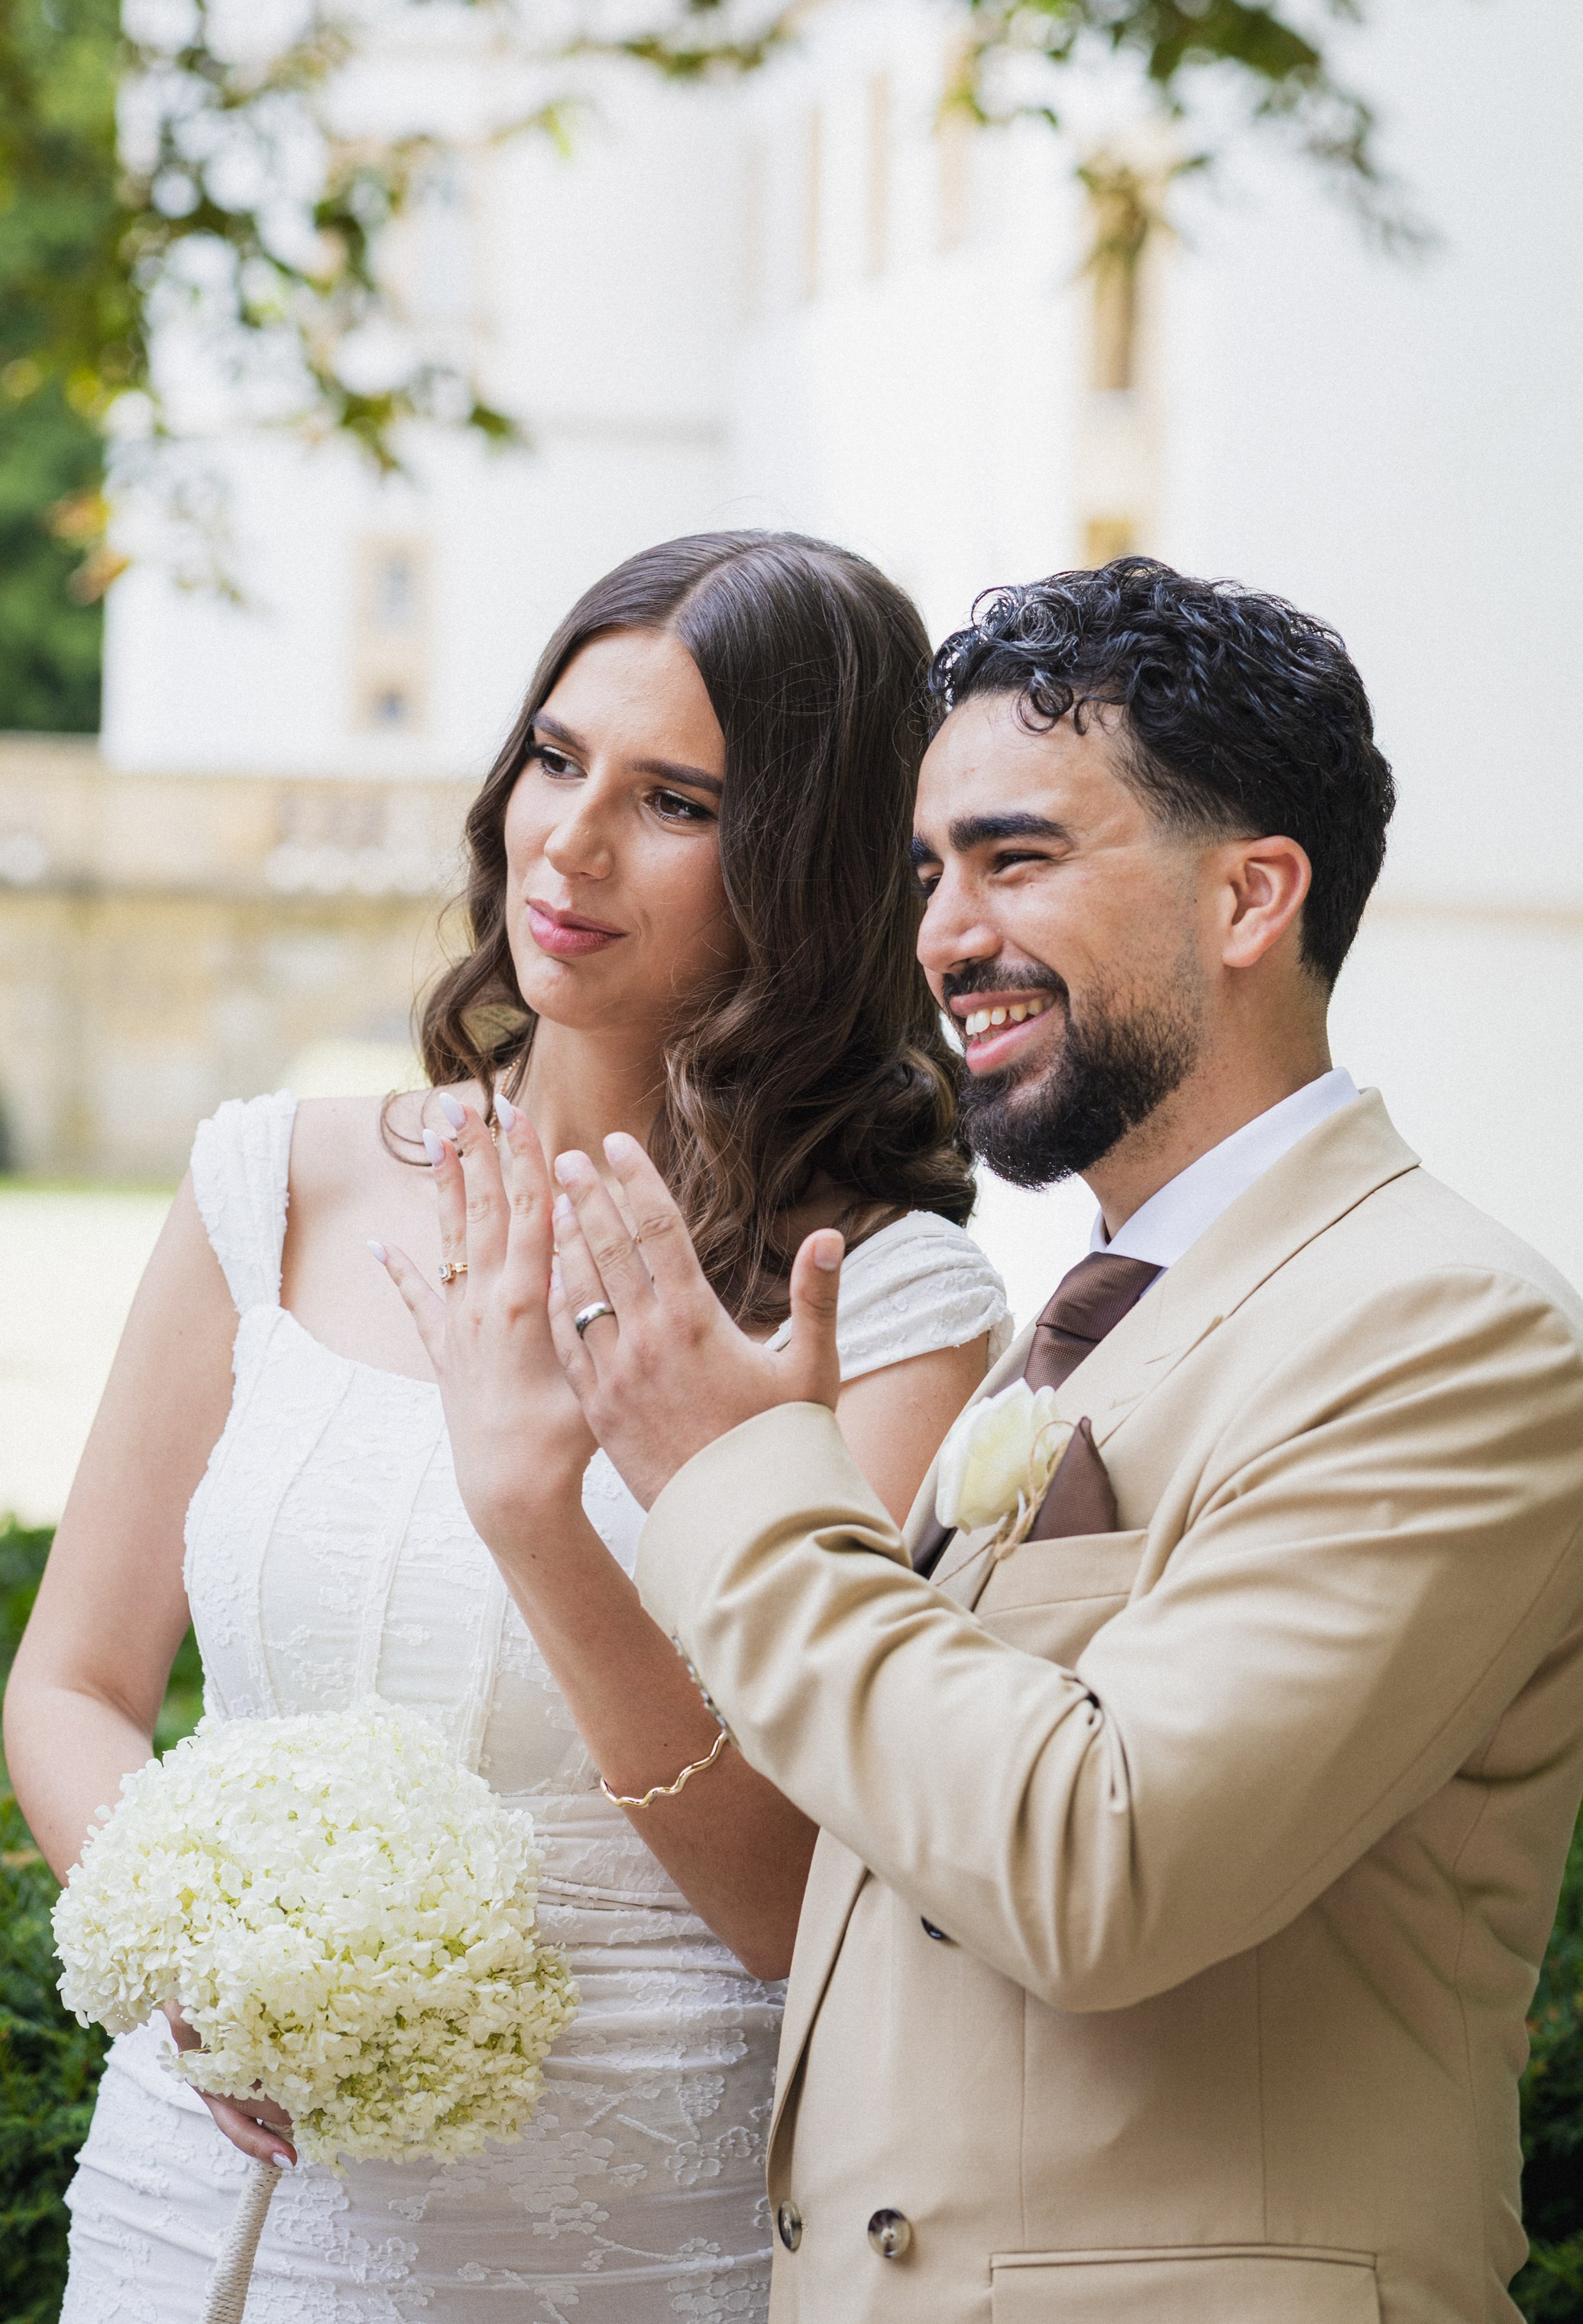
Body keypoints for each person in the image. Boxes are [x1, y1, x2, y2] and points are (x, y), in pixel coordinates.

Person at [505, 559, 1583, 2324]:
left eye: (1013, 859)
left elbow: (1102, 1871)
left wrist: (724, 1481)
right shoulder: (1086, 1319)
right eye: (927, 873)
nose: (942, 935)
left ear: (1249, 897)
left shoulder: (1448, 1332)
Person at [5, 530, 1015, 2323]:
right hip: (186, 2200)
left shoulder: (877, 1306)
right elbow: (72, 1684)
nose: (571, 840)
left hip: (611, 2237)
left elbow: (790, 1904)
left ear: (805, 866)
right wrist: (200, 1954)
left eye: (675, 802)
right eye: (555, 759)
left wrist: (538, 1516)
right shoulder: (275, 1183)